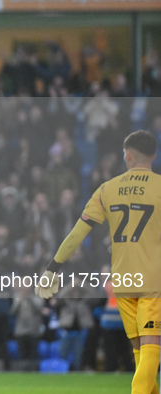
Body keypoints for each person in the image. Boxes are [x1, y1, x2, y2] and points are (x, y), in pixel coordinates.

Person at [36, 130, 161, 394]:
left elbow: (76, 235)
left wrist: (52, 268)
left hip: (124, 280)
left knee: (140, 350)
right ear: (154, 155)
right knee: (152, 344)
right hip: (153, 277)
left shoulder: (106, 190)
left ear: (127, 155)